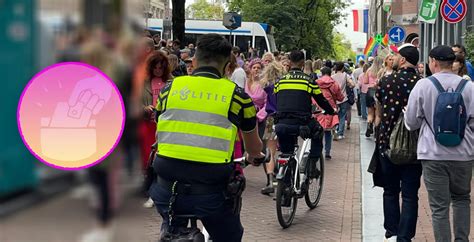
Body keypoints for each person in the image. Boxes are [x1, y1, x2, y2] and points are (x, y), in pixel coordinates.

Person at [149, 34, 265, 242]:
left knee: (170, 225)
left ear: (194, 61)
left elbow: (160, 133)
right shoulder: (238, 96)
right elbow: (253, 147)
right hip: (212, 194)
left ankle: (169, 231)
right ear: (227, 65)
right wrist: (256, 156)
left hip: (166, 189)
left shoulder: (168, 90)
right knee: (230, 235)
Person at [405, 45, 474, 242]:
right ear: (453, 62)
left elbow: (411, 122)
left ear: (433, 62)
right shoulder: (469, 87)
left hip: (432, 154)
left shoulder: (423, 86)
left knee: (439, 207)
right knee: (461, 199)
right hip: (463, 155)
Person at [368, 44, 423, 242]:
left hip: (387, 143)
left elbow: (379, 109)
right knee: (410, 195)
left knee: (390, 190)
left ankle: (391, 228)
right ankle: (405, 235)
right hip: (415, 146)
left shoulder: (387, 81)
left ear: (403, 59)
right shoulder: (422, 83)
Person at [274, 50, 335, 195]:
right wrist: (331, 111)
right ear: (303, 63)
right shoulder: (308, 81)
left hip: (281, 124)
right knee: (318, 132)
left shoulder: (280, 81)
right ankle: (313, 165)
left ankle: (286, 186)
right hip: (301, 123)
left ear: (289, 62)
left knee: (286, 152)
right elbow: (321, 100)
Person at [141, 50, 173, 208]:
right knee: (147, 160)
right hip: (148, 125)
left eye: (161, 67)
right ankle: (149, 190)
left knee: (160, 161)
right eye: (155, 67)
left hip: (165, 126)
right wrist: (144, 108)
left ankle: (154, 193)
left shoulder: (171, 82)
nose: (158, 70)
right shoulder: (143, 82)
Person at [260, 61, 285, 195]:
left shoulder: (267, 86)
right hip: (285, 118)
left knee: (270, 151)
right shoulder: (285, 85)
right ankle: (284, 175)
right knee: (287, 149)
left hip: (271, 119)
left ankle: (270, 180)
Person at [315, 67, 344, 160]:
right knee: (328, 132)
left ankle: (317, 150)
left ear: (321, 73)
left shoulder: (315, 82)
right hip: (330, 109)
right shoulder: (334, 84)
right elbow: (340, 97)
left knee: (317, 131)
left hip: (318, 109)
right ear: (330, 73)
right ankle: (327, 152)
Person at [332, 62, 355, 140]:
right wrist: (349, 85)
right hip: (344, 98)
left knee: (335, 116)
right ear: (342, 68)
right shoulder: (345, 75)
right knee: (342, 116)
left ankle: (335, 131)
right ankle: (340, 133)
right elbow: (353, 84)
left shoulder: (332, 76)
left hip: (335, 99)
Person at [364, 56, 383, 137]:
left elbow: (365, 81)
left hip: (370, 91)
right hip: (378, 91)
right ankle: (376, 130)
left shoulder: (369, 70)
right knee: (377, 113)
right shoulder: (382, 71)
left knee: (370, 112)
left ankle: (369, 125)